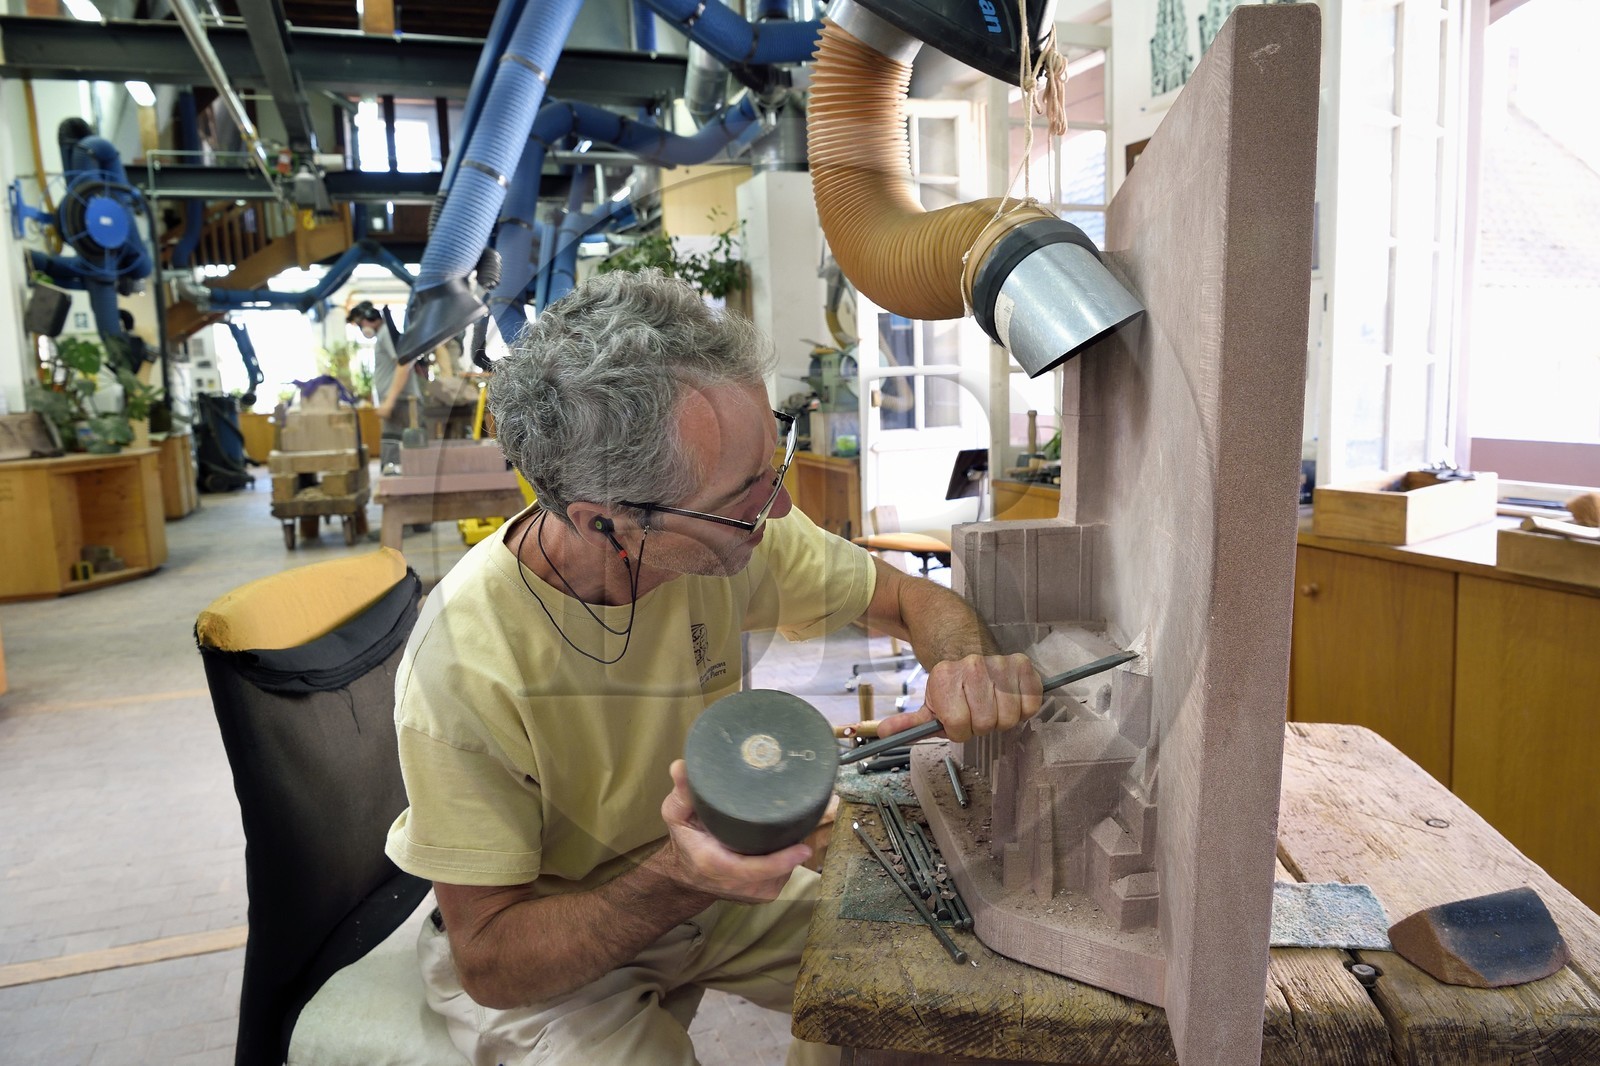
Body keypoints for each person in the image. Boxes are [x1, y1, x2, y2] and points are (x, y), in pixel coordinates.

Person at [383, 268, 1043, 1066]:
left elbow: (910, 600)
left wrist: (964, 668)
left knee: (926, 994)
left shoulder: (734, 528)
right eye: (744, 497)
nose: (781, 508)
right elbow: (490, 960)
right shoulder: (465, 662)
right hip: (558, 943)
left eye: (774, 464)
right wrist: (680, 877)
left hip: (709, 890)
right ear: (606, 523)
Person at [348, 300, 425, 471]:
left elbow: (404, 364)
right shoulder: (384, 334)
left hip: (403, 403)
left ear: (370, 318)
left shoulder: (387, 334)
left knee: (400, 456)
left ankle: (398, 482)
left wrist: (389, 401)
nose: (361, 328)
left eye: (361, 323)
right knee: (393, 451)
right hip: (398, 402)